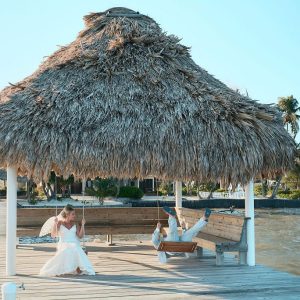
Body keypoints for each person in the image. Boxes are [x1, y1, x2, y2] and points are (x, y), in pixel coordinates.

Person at [40, 204, 95, 276]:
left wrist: (83, 225)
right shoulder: (60, 223)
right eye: (73, 214)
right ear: (67, 215)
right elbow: (53, 235)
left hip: (74, 243)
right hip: (63, 243)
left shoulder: (75, 224)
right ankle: (71, 269)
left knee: (75, 248)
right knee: (68, 249)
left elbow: (80, 236)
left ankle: (78, 268)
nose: (74, 215)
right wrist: (55, 224)